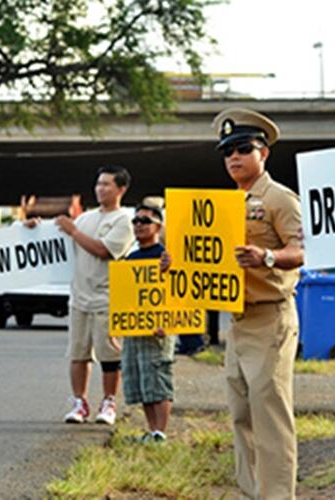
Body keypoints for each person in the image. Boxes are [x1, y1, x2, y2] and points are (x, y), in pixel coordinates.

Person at [165, 108, 304, 498]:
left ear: (264, 153)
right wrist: (175, 260)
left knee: (270, 416)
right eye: (227, 151)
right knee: (241, 415)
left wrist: (268, 257)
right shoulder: (224, 206)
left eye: (243, 148)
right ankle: (251, 492)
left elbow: (302, 249)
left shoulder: (279, 199)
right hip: (237, 321)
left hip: (270, 316)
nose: (234, 157)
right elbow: (206, 258)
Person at [55, 165, 135, 425]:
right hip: (80, 298)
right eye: (99, 183)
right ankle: (79, 401)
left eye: (107, 184)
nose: (100, 188)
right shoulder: (86, 218)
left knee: (109, 355)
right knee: (78, 353)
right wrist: (34, 227)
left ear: (120, 189)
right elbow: (61, 238)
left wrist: (74, 232)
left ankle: (109, 401)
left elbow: (103, 250)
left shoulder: (124, 220)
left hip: (107, 298)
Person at [121, 204, 175, 443]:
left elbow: (179, 292)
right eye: (135, 221)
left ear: (158, 226)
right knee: (142, 381)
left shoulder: (167, 256)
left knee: (157, 377)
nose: (139, 225)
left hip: (159, 328)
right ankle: (152, 430)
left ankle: (161, 433)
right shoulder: (131, 257)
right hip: (135, 328)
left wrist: (168, 322)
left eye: (145, 220)